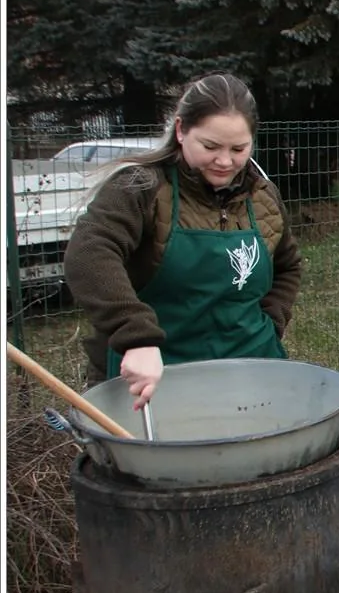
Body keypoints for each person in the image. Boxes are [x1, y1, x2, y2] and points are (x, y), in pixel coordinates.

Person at [64, 73, 302, 408]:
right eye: (210, 146)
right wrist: (135, 336)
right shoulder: (140, 188)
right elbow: (89, 253)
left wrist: (271, 321)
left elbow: (288, 265)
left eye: (239, 149)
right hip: (154, 386)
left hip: (251, 379)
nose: (225, 161)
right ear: (180, 131)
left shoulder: (263, 197)